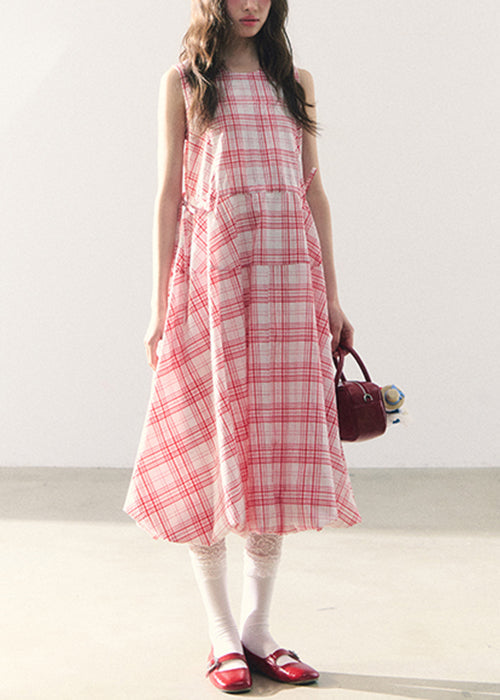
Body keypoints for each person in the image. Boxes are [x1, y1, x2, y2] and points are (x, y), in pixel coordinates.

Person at [123, 0, 362, 692]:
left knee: (272, 445)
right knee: (204, 441)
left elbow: (315, 193)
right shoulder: (185, 82)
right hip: (210, 281)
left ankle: (259, 628)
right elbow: (168, 197)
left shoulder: (295, 81)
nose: (250, 3)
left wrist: (333, 297)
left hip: (287, 280)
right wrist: (158, 306)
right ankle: (221, 632)